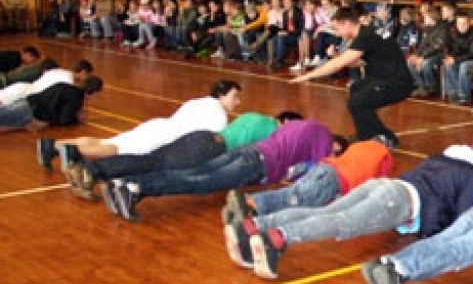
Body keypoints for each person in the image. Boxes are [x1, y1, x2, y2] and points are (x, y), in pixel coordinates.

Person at [239, 144, 473, 280]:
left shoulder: (440, 159)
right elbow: (464, 221)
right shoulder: (472, 175)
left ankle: (256, 226)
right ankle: (278, 238)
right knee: (341, 223)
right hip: (396, 201)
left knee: (325, 212)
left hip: (383, 186)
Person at [101, 119, 341, 222]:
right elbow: (318, 172)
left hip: (248, 152)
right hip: (257, 164)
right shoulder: (324, 138)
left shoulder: (300, 126)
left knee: (195, 172)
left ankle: (126, 182)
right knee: (197, 181)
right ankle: (135, 188)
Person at [65, 111, 300, 201]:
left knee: (151, 160)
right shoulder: (273, 129)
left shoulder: (252, 115)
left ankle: (97, 174)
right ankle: (94, 172)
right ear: (287, 122)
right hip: (212, 149)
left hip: (202, 137)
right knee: (161, 168)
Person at [37, 80, 241, 172]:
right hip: (164, 136)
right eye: (234, 96)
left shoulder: (198, 101)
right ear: (221, 95)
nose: (237, 102)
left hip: (158, 126)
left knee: (108, 142)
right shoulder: (219, 116)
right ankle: (68, 150)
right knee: (114, 149)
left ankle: (52, 144)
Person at [291, 8, 413, 149]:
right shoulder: (367, 32)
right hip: (384, 78)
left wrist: (308, 75)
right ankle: (365, 134)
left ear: (347, 23)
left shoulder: (366, 36)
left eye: (337, 28)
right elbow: (358, 62)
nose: (338, 33)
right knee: (356, 89)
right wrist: (337, 56)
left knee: (357, 103)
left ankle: (387, 138)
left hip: (395, 82)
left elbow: (338, 65)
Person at [0, 76, 103, 132]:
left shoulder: (65, 85)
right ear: (93, 92)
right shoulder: (76, 98)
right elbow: (64, 120)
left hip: (25, 102)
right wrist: (76, 119)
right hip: (29, 112)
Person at [0, 59, 92, 106]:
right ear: (83, 72)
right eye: (87, 75)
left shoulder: (59, 70)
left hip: (22, 87)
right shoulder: (68, 82)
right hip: (27, 95)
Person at [442, 11, 473, 104]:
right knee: (448, 64)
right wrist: (448, 56)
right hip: (460, 59)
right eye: (459, 23)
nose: (461, 26)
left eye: (464, 23)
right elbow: (447, 47)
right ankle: (453, 92)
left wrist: (455, 59)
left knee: (463, 66)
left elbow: (472, 54)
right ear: (456, 24)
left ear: (469, 24)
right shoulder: (453, 33)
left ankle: (464, 96)